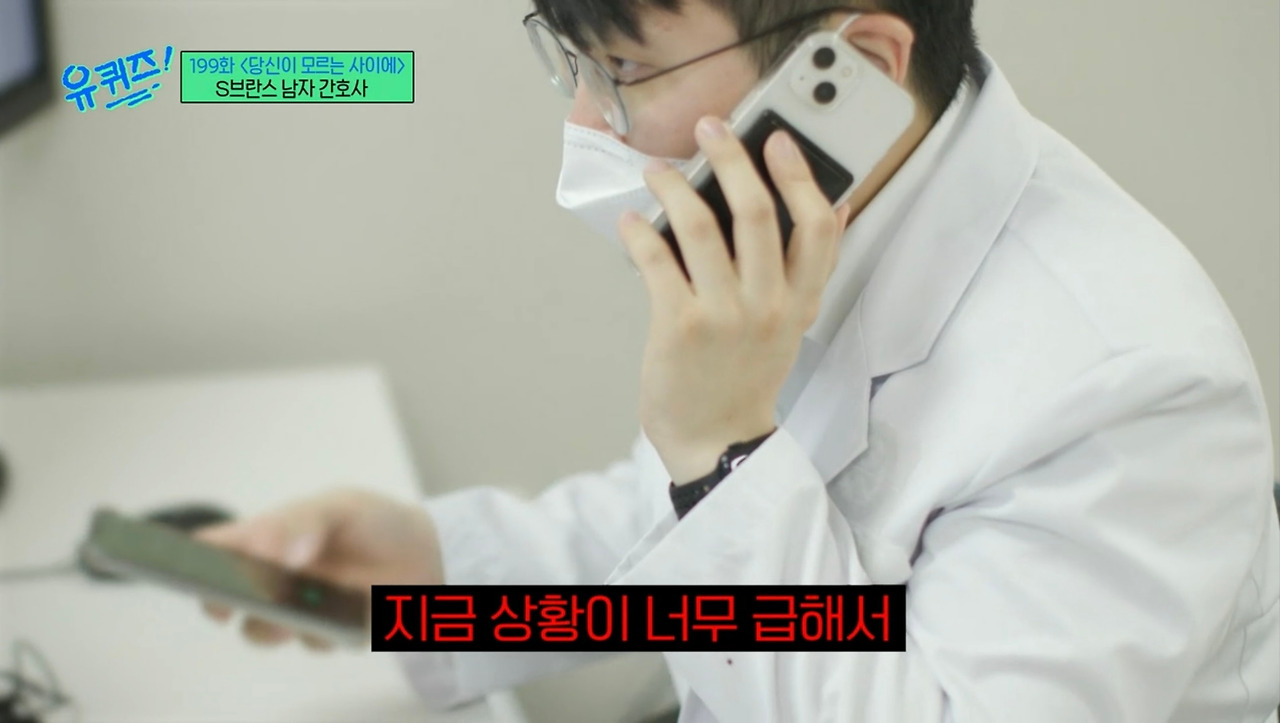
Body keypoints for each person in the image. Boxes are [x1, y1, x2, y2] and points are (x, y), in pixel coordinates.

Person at [197, 1, 1280, 720]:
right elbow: (683, 561)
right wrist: (432, 584)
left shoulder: (1126, 387)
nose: (587, 120)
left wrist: (721, 453)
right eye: (575, 63)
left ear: (855, 70)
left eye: (623, 69)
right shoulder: (843, 222)